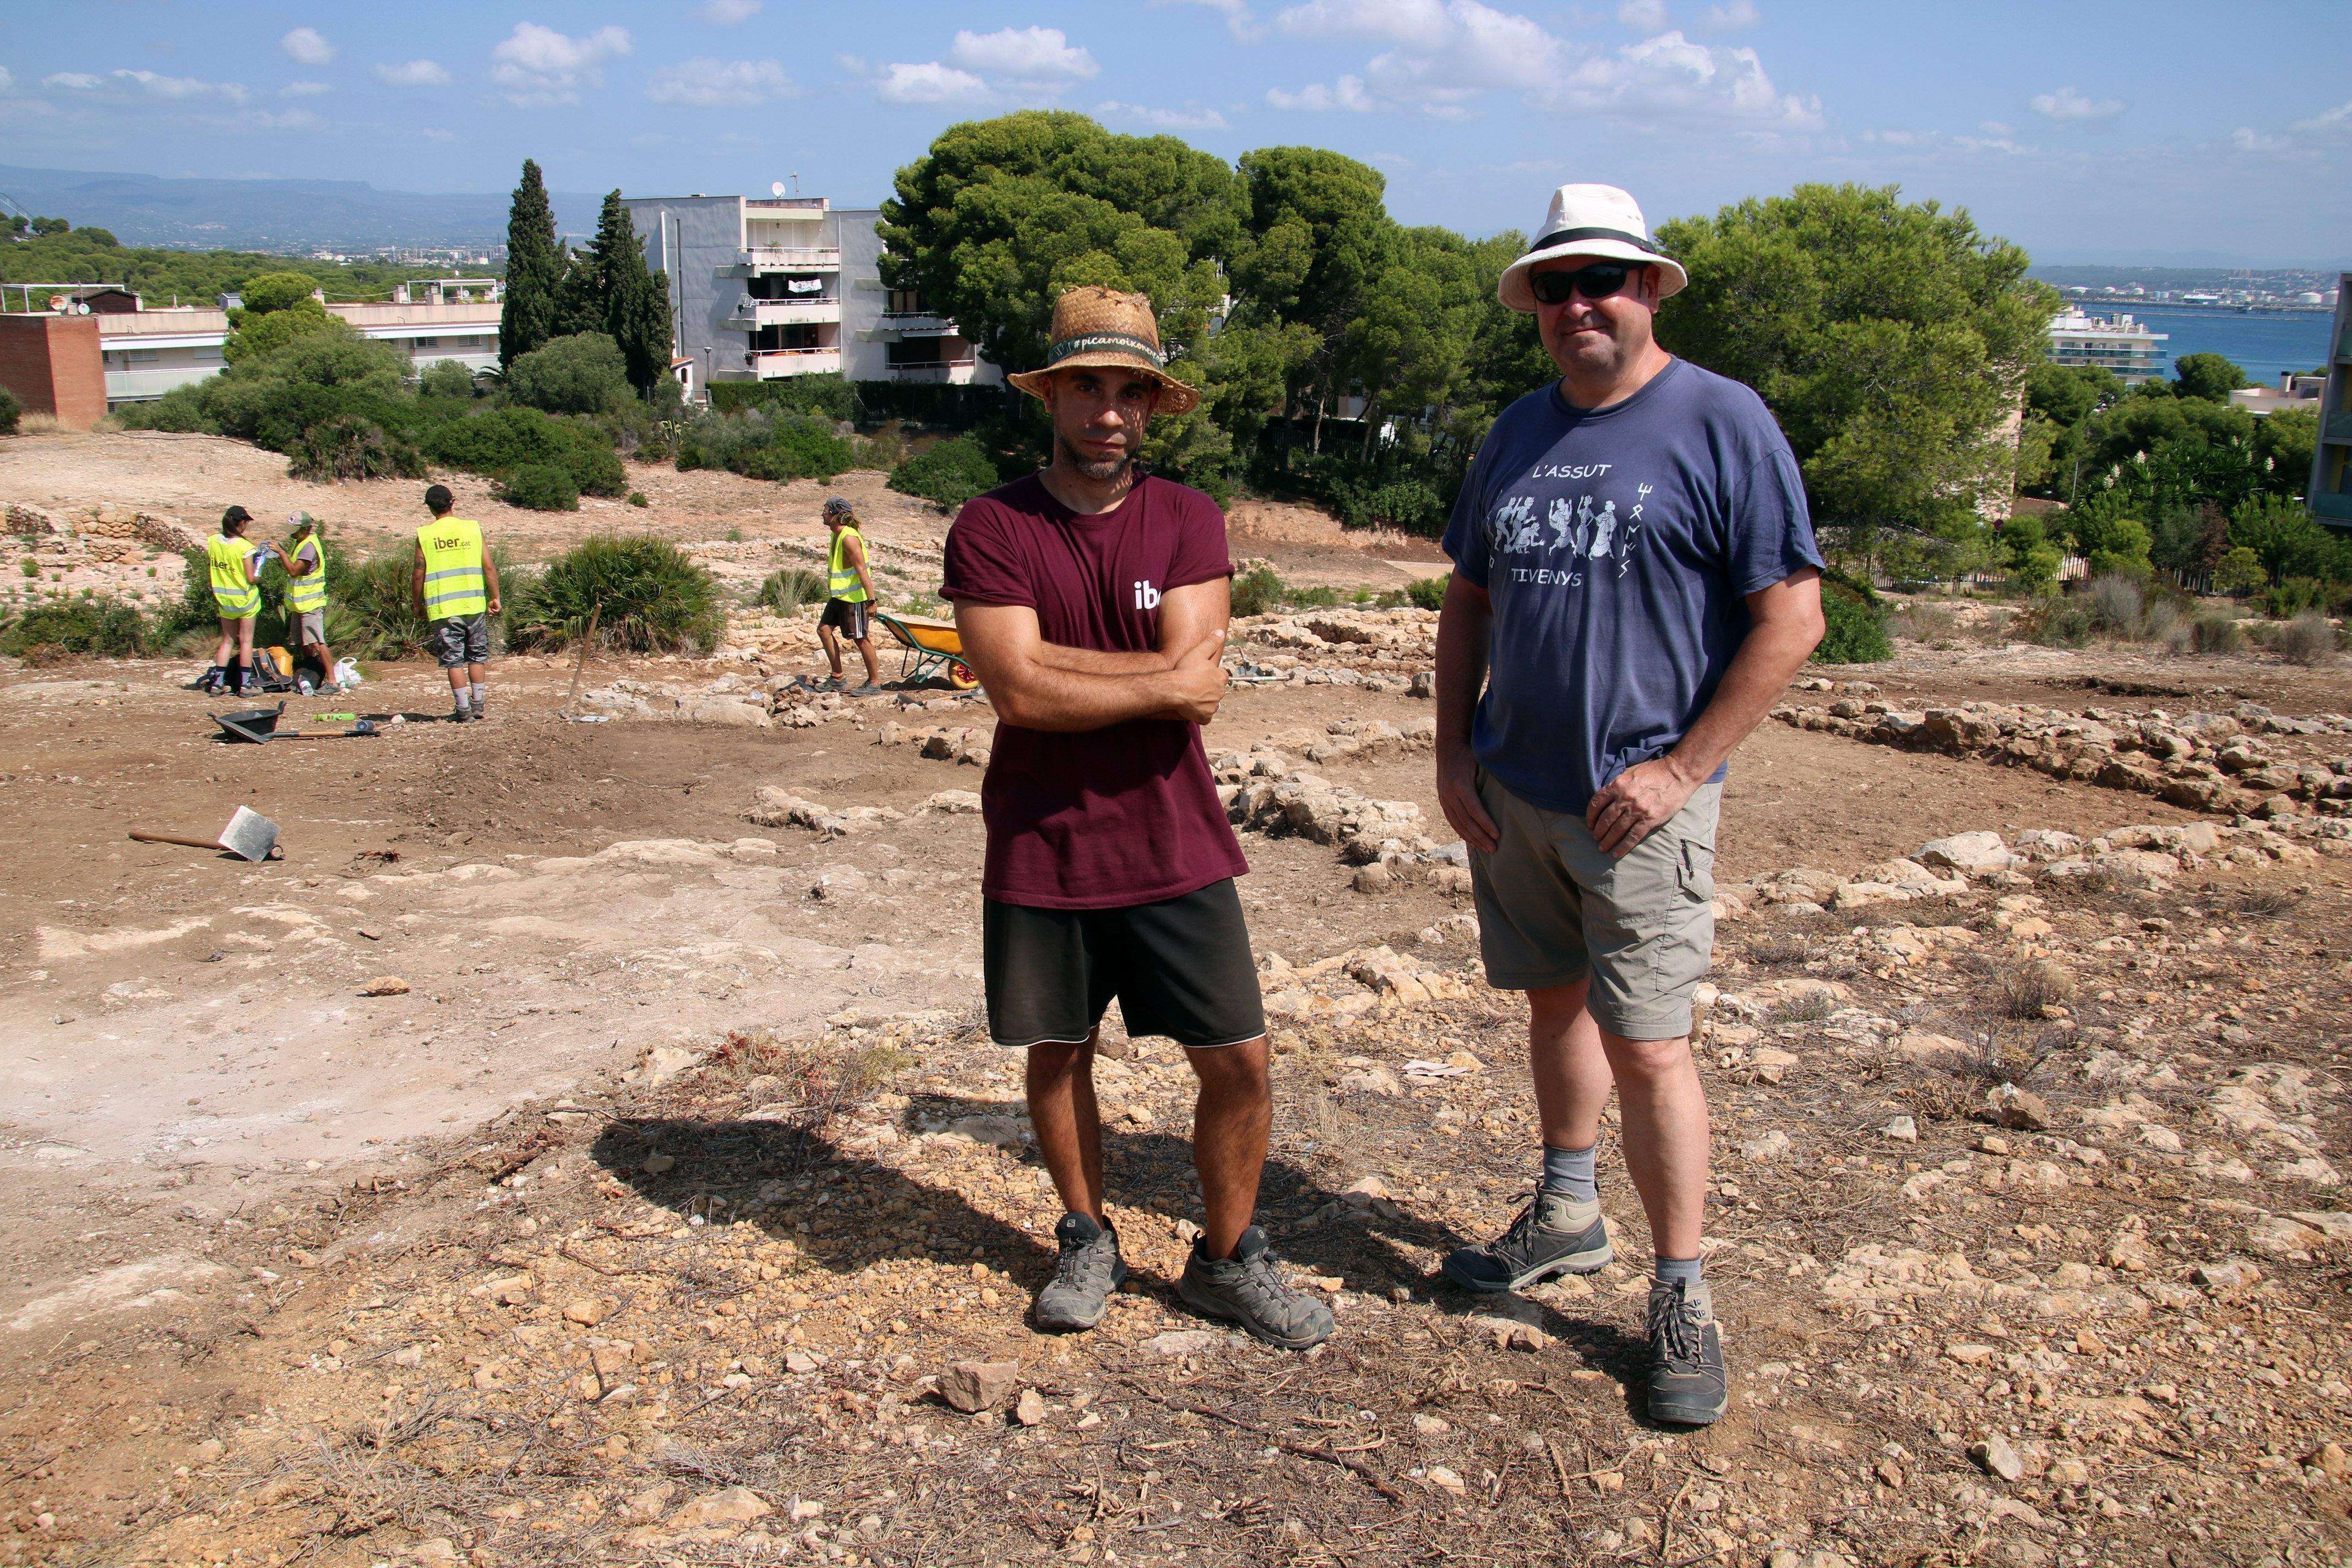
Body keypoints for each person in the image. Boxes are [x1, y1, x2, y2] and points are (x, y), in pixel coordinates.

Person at [1433, 184, 1825, 1425]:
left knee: (1651, 1043)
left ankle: (1681, 1290)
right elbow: (1470, 598)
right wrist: (1452, 752)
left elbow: (1792, 618)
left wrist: (1682, 769)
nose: (1577, 302)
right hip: (1519, 790)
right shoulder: (1517, 428)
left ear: (1649, 288)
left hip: (1640, 803)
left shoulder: (1723, 420)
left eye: (1601, 278)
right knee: (1554, 1001)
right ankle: (1564, 1209)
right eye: (1554, 284)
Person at [944, 287, 1332, 1351]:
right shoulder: (991, 524)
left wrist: (1053, 663)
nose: (1106, 411)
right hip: (1041, 838)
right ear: (1052, 396)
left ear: (1154, 407)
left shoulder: (1189, 517)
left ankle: (1226, 1258)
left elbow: (1197, 686)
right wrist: (1138, 674)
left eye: (1129, 391)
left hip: (1174, 835)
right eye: (1085, 387)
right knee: (1058, 1048)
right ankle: (1085, 1234)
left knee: (1240, 1059)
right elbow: (1017, 695)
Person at [410, 484, 502, 723]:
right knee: (477, 656)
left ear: (430, 508)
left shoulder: (425, 534)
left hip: (444, 607)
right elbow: (488, 566)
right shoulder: (472, 528)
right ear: (453, 502)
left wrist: (417, 604)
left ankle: (463, 710)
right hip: (473, 603)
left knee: (454, 660)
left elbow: (419, 572)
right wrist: (495, 596)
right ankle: (478, 704)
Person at [203, 505, 274, 696]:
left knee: (227, 640)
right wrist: (260, 573)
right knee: (246, 641)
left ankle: (218, 684)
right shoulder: (245, 548)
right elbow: (251, 578)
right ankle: (245, 684)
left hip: (224, 599)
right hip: (244, 599)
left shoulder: (213, 541)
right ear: (241, 523)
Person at [817, 496, 881, 695]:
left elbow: (862, 570)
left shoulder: (849, 538)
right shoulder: (836, 535)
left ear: (837, 515)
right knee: (824, 631)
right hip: (840, 597)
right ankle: (838, 678)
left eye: (827, 511)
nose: (823, 514)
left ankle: (874, 683)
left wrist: (872, 601)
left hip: (855, 599)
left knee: (861, 639)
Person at [281, 513, 341, 694]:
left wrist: (281, 552)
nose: (291, 534)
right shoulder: (301, 543)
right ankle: (309, 672)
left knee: (317, 642)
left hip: (311, 603)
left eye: (295, 531)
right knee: (304, 643)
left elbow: (294, 571)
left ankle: (332, 682)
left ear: (306, 529)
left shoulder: (308, 547)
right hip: (301, 604)